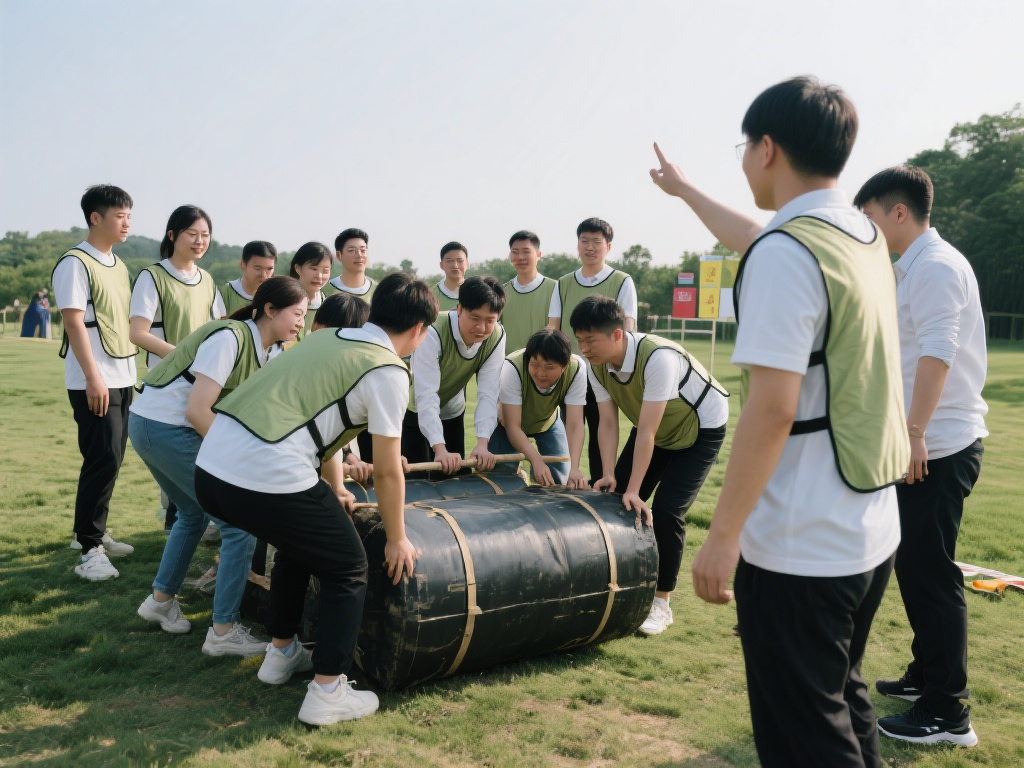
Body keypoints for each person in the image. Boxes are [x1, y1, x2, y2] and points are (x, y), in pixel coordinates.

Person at [657, 76, 909, 766]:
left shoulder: (788, 251)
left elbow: (772, 409)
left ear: (766, 148)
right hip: (868, 525)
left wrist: (723, 537)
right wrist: (685, 191)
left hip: (803, 543)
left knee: (806, 739)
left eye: (743, 149)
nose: (743, 163)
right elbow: (757, 236)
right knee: (841, 701)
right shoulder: (858, 232)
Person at [193, 271, 438, 725]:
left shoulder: (327, 338)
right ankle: (328, 691)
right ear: (420, 330)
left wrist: (334, 488)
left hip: (211, 471)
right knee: (348, 565)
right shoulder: (386, 369)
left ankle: (281, 652)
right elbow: (388, 469)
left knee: (298, 545)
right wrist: (397, 537)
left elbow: (321, 431)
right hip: (264, 473)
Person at [854, 166, 987, 747]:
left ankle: (948, 712)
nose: (866, 230)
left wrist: (914, 432)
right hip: (924, 441)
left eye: (869, 218)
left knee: (930, 572)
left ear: (899, 213)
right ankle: (926, 676)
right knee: (913, 566)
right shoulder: (910, 266)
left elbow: (938, 351)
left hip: (939, 444)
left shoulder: (934, 267)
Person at [131, 277, 308, 656]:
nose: (301, 323)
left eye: (305, 316)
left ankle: (160, 601)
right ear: (270, 310)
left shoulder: (271, 350)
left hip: (150, 425)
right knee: (238, 527)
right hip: (166, 429)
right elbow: (197, 411)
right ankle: (224, 631)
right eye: (296, 314)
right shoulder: (230, 338)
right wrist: (238, 455)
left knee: (193, 514)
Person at [570, 296, 728, 636]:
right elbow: (607, 423)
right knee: (615, 500)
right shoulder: (596, 365)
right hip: (656, 431)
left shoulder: (658, 358)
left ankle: (661, 603)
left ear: (616, 334)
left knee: (667, 511)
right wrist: (610, 474)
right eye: (579, 340)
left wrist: (634, 490)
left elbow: (648, 432)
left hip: (701, 429)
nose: (583, 348)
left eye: (590, 340)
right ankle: (621, 584)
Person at [51, 185, 137, 580]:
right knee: (102, 458)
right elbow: (73, 322)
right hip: (94, 379)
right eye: (120, 216)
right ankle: (89, 549)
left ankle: (92, 533)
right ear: (95, 218)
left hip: (123, 375)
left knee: (112, 457)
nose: (127, 223)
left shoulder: (117, 264)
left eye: (129, 216)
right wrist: (92, 377)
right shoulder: (75, 262)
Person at [548, 218, 637, 483]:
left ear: (608, 247)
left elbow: (628, 329)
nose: (590, 247)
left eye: (597, 241)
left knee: (602, 429)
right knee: (568, 431)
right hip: (571, 373)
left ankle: (601, 483)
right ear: (577, 244)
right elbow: (553, 328)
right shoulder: (563, 283)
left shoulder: (622, 281)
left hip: (605, 371)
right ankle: (562, 485)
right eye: (584, 240)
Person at [406, 275, 506, 475]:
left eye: (490, 320)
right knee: (416, 482)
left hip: (452, 410)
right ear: (459, 309)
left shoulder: (497, 335)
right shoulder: (431, 331)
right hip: (412, 410)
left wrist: (482, 444)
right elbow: (426, 395)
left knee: (455, 480)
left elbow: (488, 393)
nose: (481, 328)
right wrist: (440, 449)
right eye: (475, 318)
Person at [489, 328, 588, 488]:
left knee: (559, 479)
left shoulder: (576, 369)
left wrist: (574, 468)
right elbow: (512, 425)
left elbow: (575, 424)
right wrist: (536, 461)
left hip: (547, 422)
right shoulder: (512, 367)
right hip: (505, 425)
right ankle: (519, 473)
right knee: (501, 482)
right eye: (535, 364)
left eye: (549, 367)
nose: (541, 373)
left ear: (564, 366)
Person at [129, 205, 225, 368]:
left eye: (205, 235)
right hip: (166, 377)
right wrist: (182, 357)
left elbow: (219, 328)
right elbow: (137, 333)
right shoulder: (152, 276)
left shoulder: (207, 280)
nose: (199, 241)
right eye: (192, 234)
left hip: (201, 375)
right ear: (172, 235)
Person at [501, 230, 557, 354]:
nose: (520, 257)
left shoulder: (556, 288)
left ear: (538, 255)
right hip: (509, 362)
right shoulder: (502, 291)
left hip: (544, 359)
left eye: (526, 252)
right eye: (515, 252)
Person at [217, 241, 278, 317]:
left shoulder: (277, 294)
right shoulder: (226, 293)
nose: (264, 275)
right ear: (243, 265)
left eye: (269, 269)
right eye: (258, 268)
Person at [288, 242, 333, 341]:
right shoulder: (283, 302)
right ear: (298, 268)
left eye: (325, 271)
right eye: (314, 269)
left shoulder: (328, 306)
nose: (319, 276)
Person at [323, 228, 376, 302]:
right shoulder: (325, 291)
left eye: (363, 250)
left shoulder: (378, 290)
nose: (359, 255)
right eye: (352, 250)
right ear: (338, 256)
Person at [432, 241, 469, 312]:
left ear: (467, 264)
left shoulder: (476, 293)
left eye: (460, 261)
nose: (455, 266)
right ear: (441, 265)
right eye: (449, 261)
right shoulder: (431, 295)